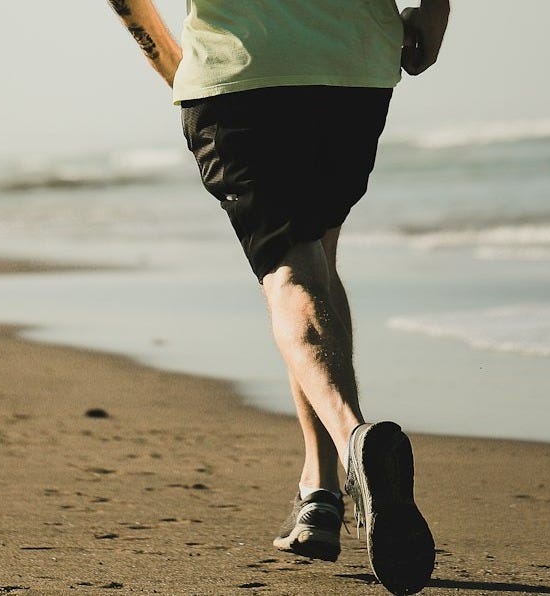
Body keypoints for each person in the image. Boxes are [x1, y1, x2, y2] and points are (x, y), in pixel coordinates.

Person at [108, 1, 449, 594]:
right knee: (315, 258)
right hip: (352, 67)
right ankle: (319, 491)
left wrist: (174, 65)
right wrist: (438, 11)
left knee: (289, 274)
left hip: (239, 72)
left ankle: (351, 443)